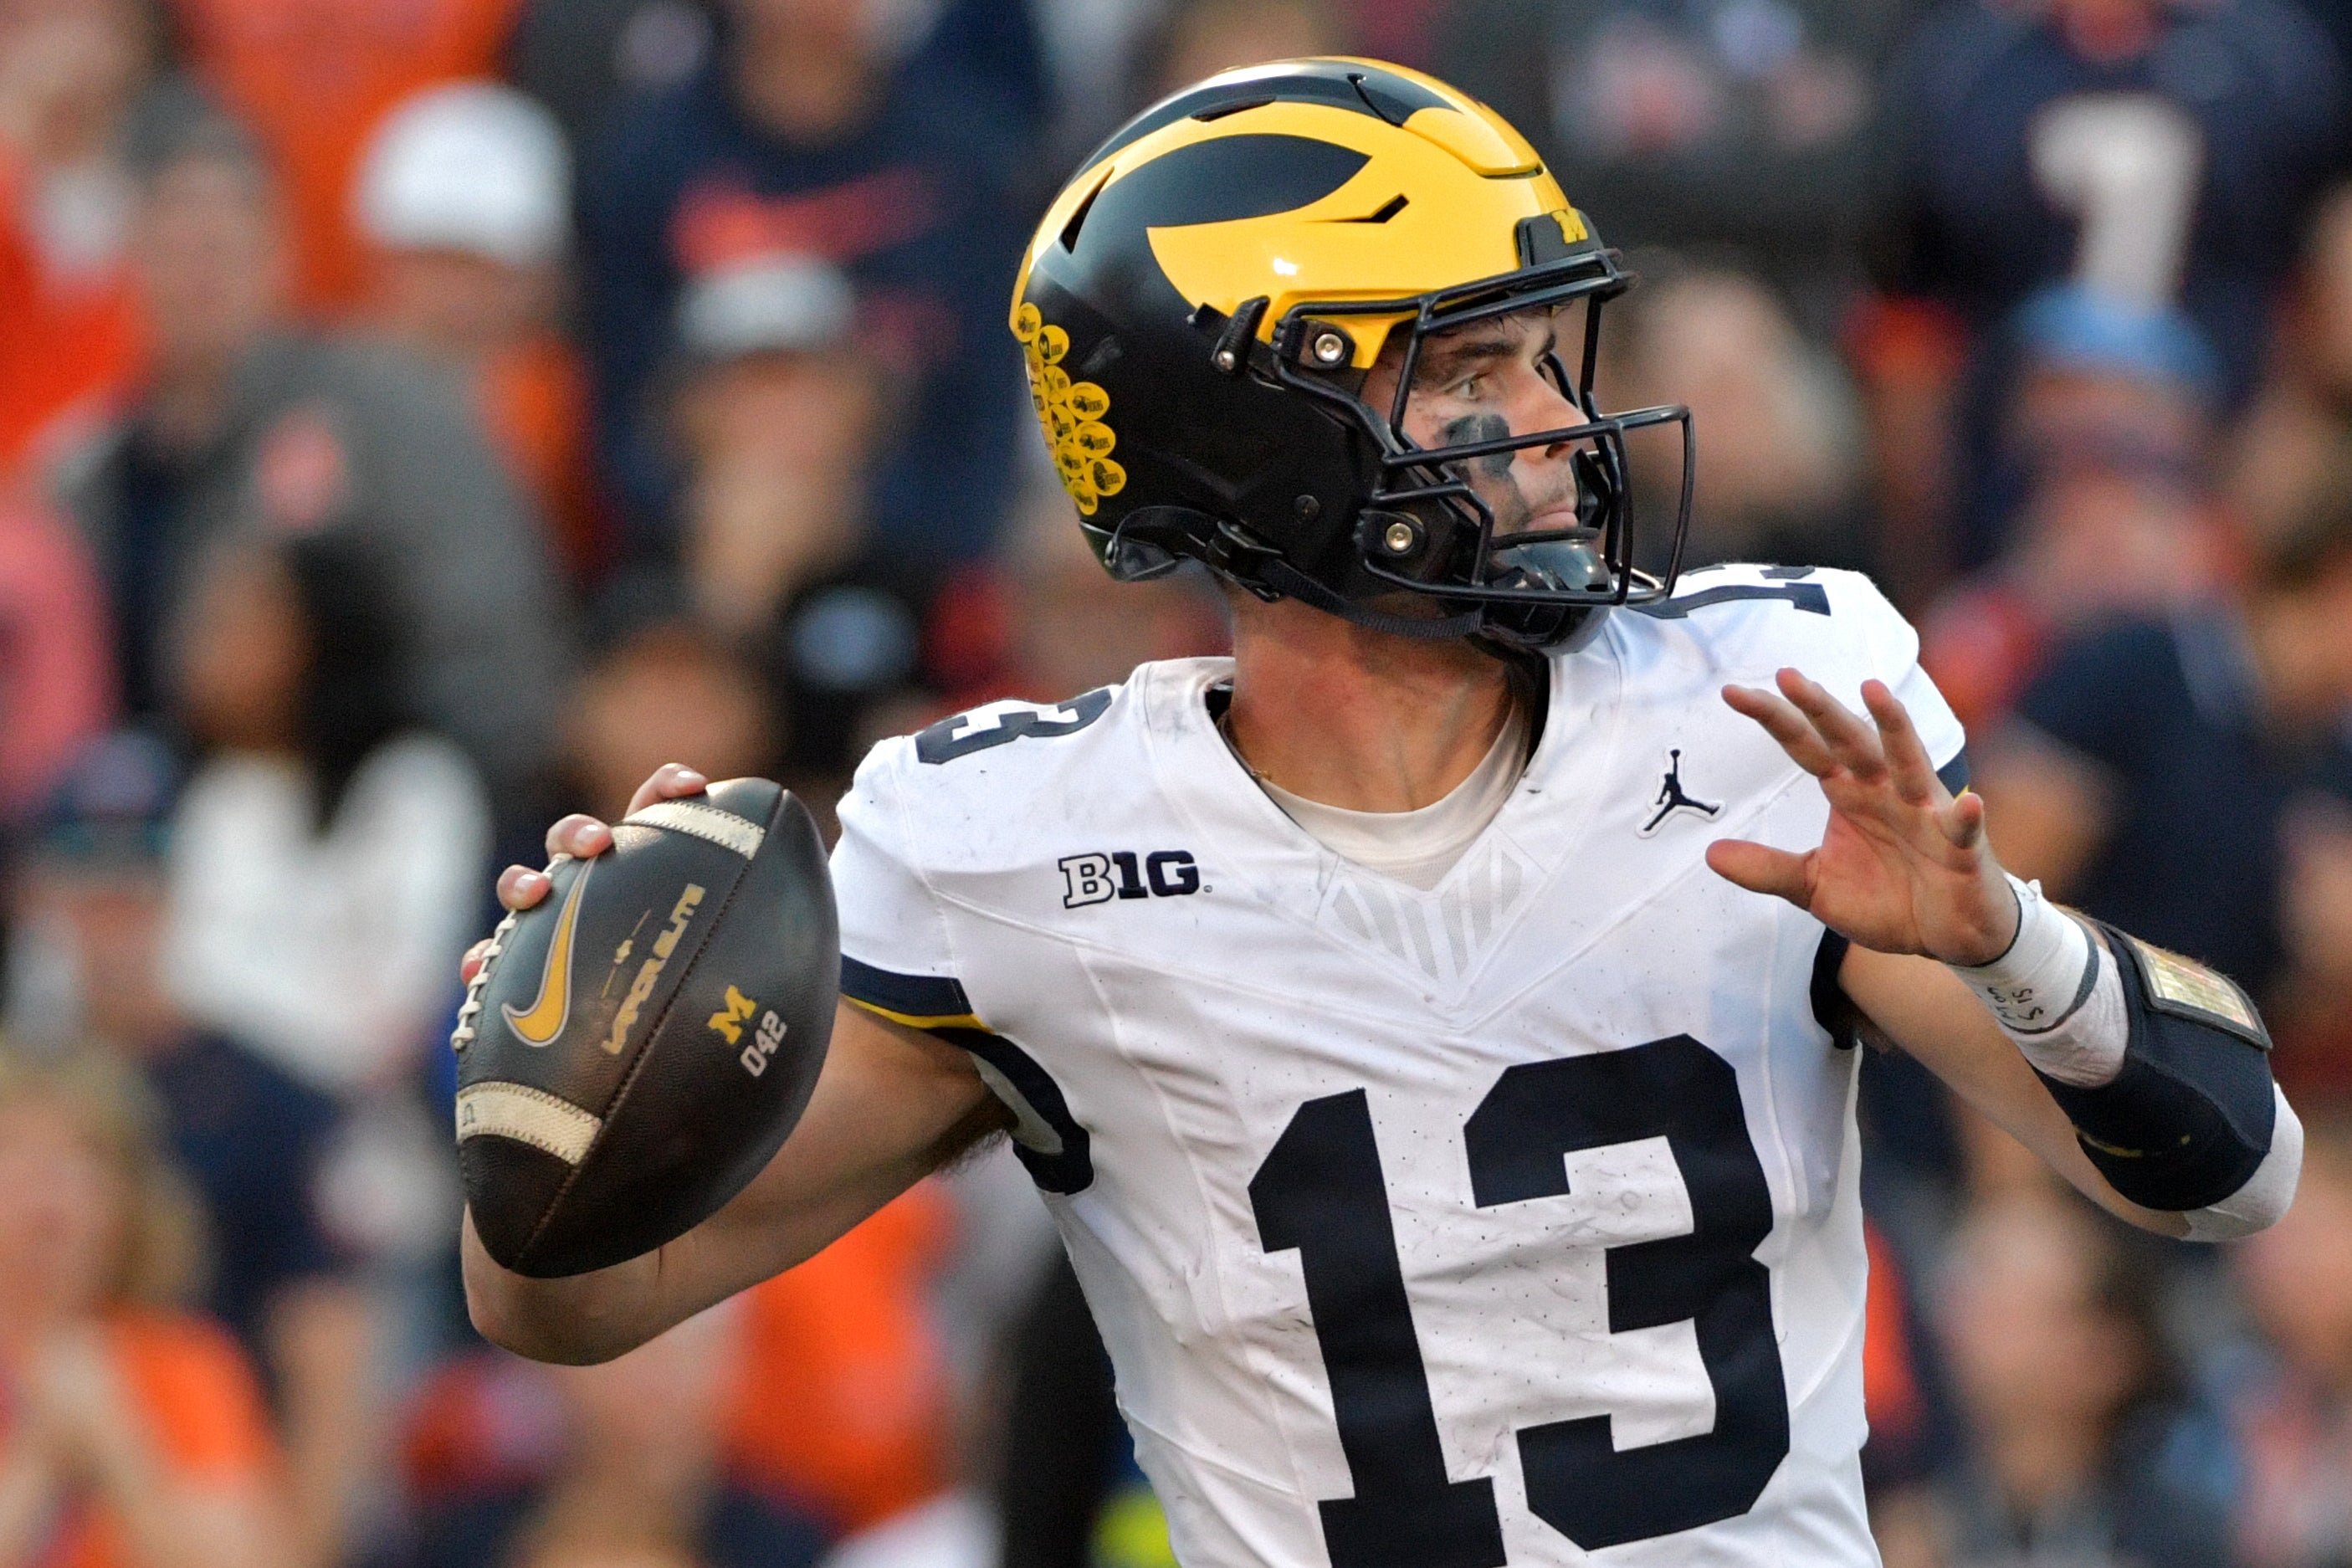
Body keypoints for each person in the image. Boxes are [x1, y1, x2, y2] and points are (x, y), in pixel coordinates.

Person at [463, 60, 2303, 1568]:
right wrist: (556, 1085)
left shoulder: (1755, 714)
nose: (1548, 421)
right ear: (1254, 428)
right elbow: (573, 1304)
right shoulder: (1018, 854)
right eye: (1467, 369)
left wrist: (2007, 943)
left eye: (1538, 355)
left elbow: (2237, 1175)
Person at [54, 91, 570, 820]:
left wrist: (413, 797)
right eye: (174, 239)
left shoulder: (391, 413)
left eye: (226, 238)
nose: (201, 270)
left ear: (285, 251)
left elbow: (499, 662)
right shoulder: (86, 469)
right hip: (126, 849)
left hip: (368, 832)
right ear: (127, 259)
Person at [0, 1043, 299, 1568]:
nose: (49, 1187)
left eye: (83, 1157)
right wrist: (42, 1458)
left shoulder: (184, 1364)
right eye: (16, 1149)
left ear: (129, 1202)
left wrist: (117, 1448)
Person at [353, 80, 610, 589]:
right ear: (380, 264)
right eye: (435, 262)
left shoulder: (570, 406)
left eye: (488, 268)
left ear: (544, 280)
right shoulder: (316, 401)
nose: (458, 299)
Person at [1934, 1191, 2237, 1566]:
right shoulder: (1912, 1528)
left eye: (2007, 1314)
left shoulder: (2174, 1539)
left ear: (2107, 1354)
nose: (1963, 1324)